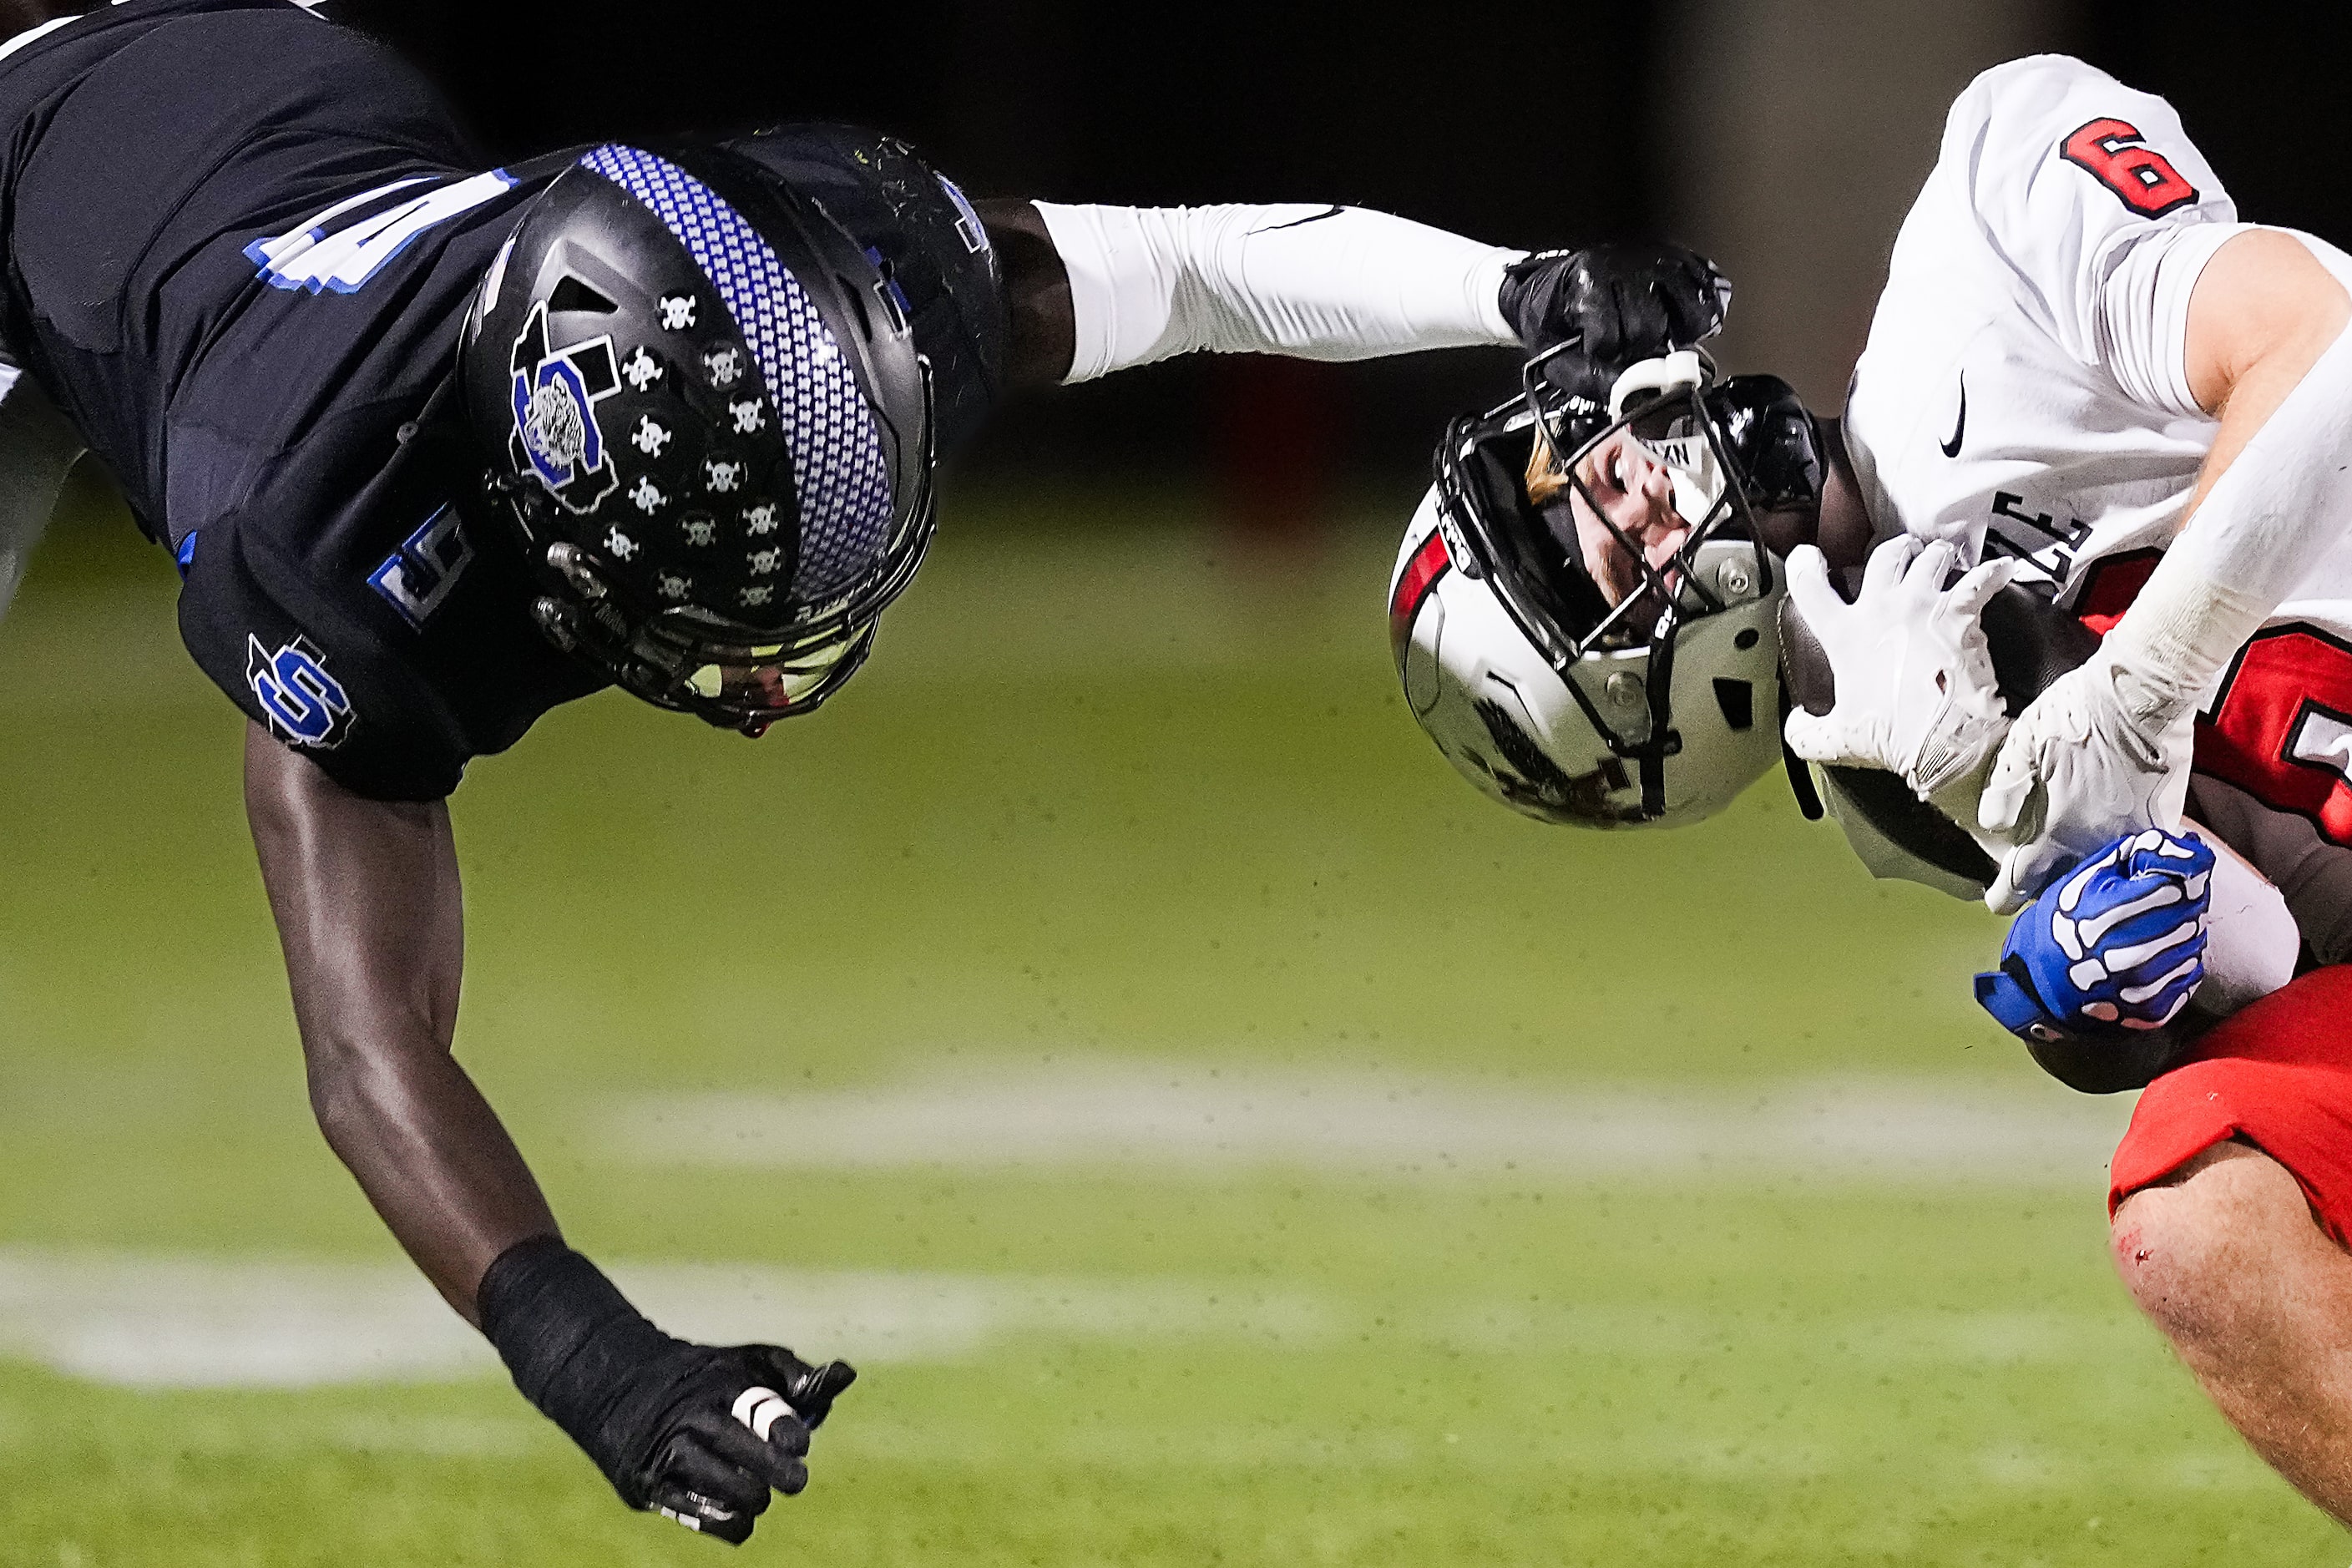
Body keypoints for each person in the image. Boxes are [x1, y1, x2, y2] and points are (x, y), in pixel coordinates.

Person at [0, 0, 1734, 1541]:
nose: (780, 645)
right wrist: (598, 1366)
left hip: (265, 88)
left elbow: (1186, 271)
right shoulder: (333, 536)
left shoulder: (795, 279)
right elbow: (366, 1049)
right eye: (729, 598)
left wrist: (1511, 290)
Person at [1390, 50, 2352, 1530]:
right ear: (1655, 709)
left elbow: (2323, 342)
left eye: (1560, 463)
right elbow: (2266, 945)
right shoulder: (1891, 792)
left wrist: (2130, 693)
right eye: (1590, 551)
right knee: (2199, 1217)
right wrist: (2098, 990)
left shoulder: (1992, 202)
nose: (1614, 475)